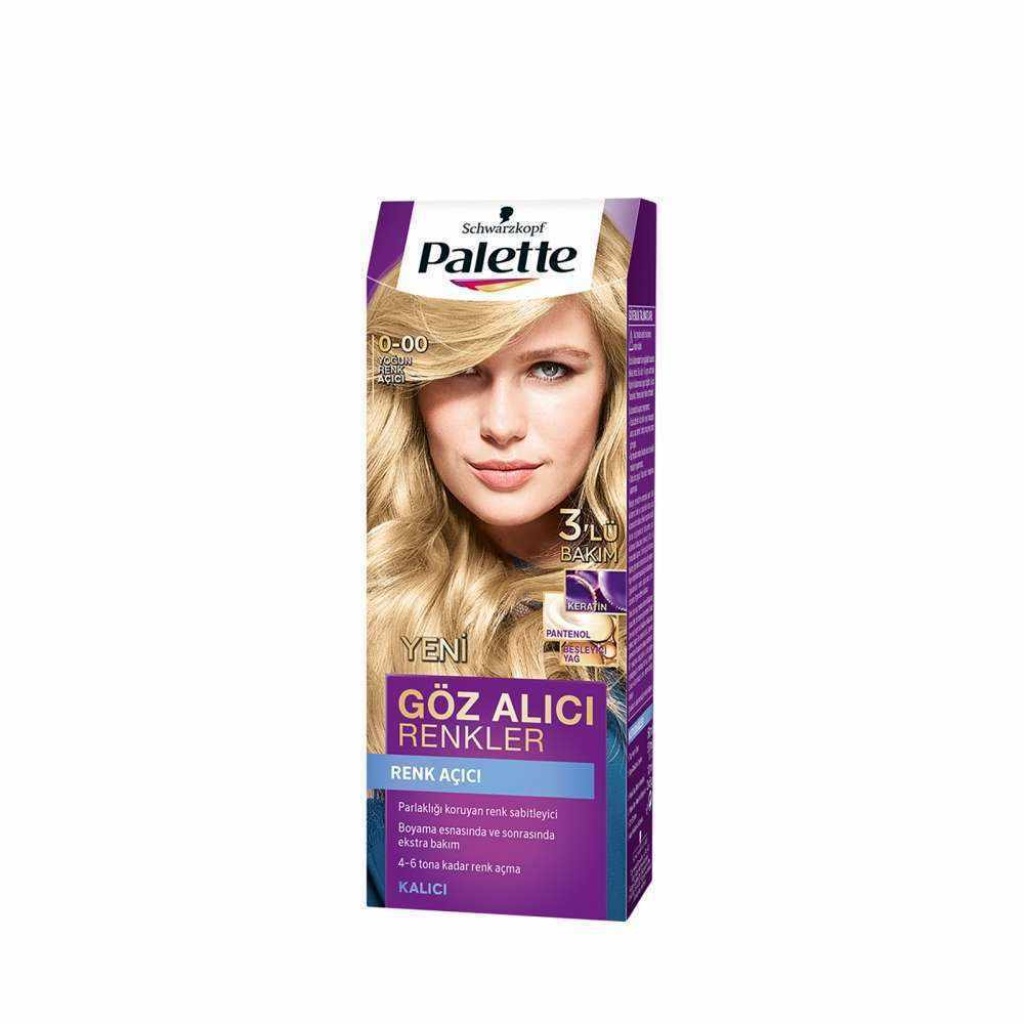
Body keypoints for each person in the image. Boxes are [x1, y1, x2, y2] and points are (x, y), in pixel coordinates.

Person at [366, 217, 630, 915]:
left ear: (613, 382)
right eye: (462, 369)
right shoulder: (372, 585)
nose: (502, 425)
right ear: (410, 389)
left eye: (551, 369)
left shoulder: (630, 595)